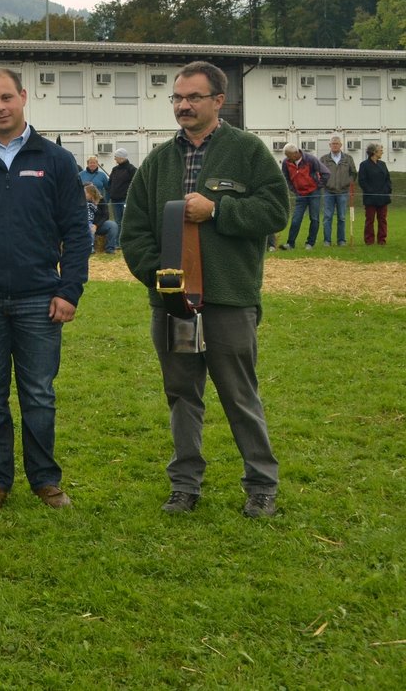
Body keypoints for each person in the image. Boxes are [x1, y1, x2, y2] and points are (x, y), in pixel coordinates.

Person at [121, 61, 289, 518]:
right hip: (174, 307)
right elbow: (133, 232)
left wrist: (218, 210)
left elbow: (275, 211)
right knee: (182, 395)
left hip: (230, 302)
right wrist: (163, 280)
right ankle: (184, 484)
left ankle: (261, 485)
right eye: (177, 97)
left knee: (240, 395)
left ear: (219, 101)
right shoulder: (157, 161)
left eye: (194, 97)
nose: (183, 105)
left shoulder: (247, 152)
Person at [0, 69, 89, 511]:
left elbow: (77, 233)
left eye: (7, 97)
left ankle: (45, 480)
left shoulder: (56, 159)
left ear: (24, 97)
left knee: (39, 395)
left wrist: (70, 290)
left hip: (40, 299)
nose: (0, 107)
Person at [279, 144, 328, 250]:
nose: (287, 158)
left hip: (314, 194)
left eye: (289, 155)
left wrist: (318, 186)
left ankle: (310, 243)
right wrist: (294, 189)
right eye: (286, 155)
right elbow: (285, 178)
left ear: (296, 153)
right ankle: (290, 244)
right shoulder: (286, 163)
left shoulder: (311, 159)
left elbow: (326, 173)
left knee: (314, 218)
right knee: (296, 219)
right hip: (300, 194)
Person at [320, 136, 356, 247]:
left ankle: (341, 240)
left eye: (337, 143)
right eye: (333, 143)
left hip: (343, 192)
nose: (335, 145)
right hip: (328, 192)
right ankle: (327, 241)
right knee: (327, 217)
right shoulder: (324, 159)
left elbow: (353, 173)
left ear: (341, 145)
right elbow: (319, 174)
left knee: (341, 217)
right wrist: (324, 184)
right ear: (329, 145)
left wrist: (347, 182)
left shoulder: (348, 158)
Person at [358, 143, 391, 245]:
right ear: (374, 152)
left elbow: (387, 179)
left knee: (382, 220)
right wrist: (371, 192)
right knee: (370, 220)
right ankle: (369, 240)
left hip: (383, 197)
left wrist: (386, 191)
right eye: (380, 150)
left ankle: (382, 240)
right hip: (370, 198)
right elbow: (362, 181)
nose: (382, 152)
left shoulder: (383, 164)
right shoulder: (364, 165)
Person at [86, 183, 120, 254]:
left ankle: (110, 248)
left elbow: (106, 215)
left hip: (99, 225)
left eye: (85, 192)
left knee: (113, 225)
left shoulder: (101, 200)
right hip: (86, 225)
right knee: (89, 228)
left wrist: (96, 225)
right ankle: (89, 248)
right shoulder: (81, 201)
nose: (84, 194)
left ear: (91, 193)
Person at [107, 148, 137, 226]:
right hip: (114, 200)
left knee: (126, 221)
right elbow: (110, 183)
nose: (114, 158)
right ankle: (118, 238)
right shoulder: (115, 169)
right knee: (118, 221)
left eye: (116, 156)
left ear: (122, 157)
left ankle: (126, 237)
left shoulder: (131, 169)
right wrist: (111, 192)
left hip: (125, 200)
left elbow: (136, 184)